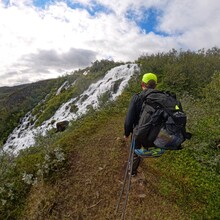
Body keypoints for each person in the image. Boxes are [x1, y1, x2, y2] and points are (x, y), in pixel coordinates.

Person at [124, 73, 159, 176]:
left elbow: (129, 118)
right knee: (144, 147)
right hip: (153, 132)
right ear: (155, 85)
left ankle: (132, 172)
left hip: (138, 131)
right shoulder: (160, 98)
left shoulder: (137, 98)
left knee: (135, 151)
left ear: (142, 84)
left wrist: (126, 133)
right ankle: (149, 151)